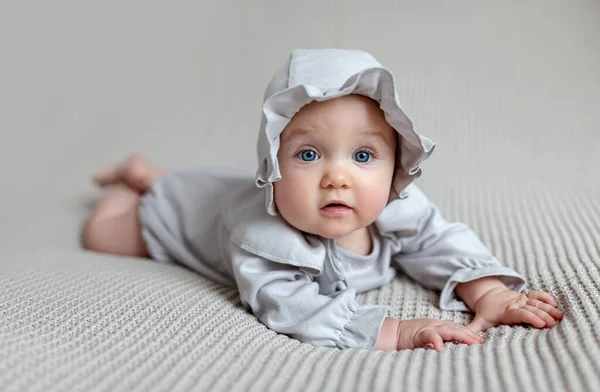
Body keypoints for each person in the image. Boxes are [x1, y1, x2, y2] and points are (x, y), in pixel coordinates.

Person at [82, 49, 563, 352]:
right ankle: (136, 182)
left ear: (396, 164)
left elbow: (439, 243)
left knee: (216, 185)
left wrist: (490, 292)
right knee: (102, 235)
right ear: (273, 165)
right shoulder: (264, 239)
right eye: (308, 154)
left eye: (363, 154)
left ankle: (154, 172)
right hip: (179, 215)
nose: (337, 176)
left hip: (221, 189)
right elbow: (289, 306)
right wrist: (396, 331)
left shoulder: (394, 207)